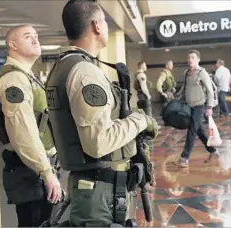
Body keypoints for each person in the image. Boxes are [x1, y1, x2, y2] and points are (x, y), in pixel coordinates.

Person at [46, 0, 158, 226]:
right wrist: (139, 120)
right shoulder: (85, 72)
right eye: (105, 21)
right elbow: (97, 143)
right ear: (96, 26)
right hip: (99, 194)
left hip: (92, 188)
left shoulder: (63, 67)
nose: (106, 26)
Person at [0, 25, 62, 227]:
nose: (35, 40)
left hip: (35, 169)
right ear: (12, 45)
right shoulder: (13, 79)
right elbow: (22, 132)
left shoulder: (26, 76)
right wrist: (46, 172)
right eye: (27, 36)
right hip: (29, 171)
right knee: (35, 222)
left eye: (36, 36)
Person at [174, 50, 220, 168]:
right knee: (199, 130)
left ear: (198, 59)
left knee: (192, 131)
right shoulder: (187, 73)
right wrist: (176, 98)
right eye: (189, 58)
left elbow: (210, 90)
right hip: (189, 106)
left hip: (200, 105)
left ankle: (184, 158)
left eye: (193, 58)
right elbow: (185, 87)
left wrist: (209, 107)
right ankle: (213, 152)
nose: (190, 60)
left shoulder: (202, 73)